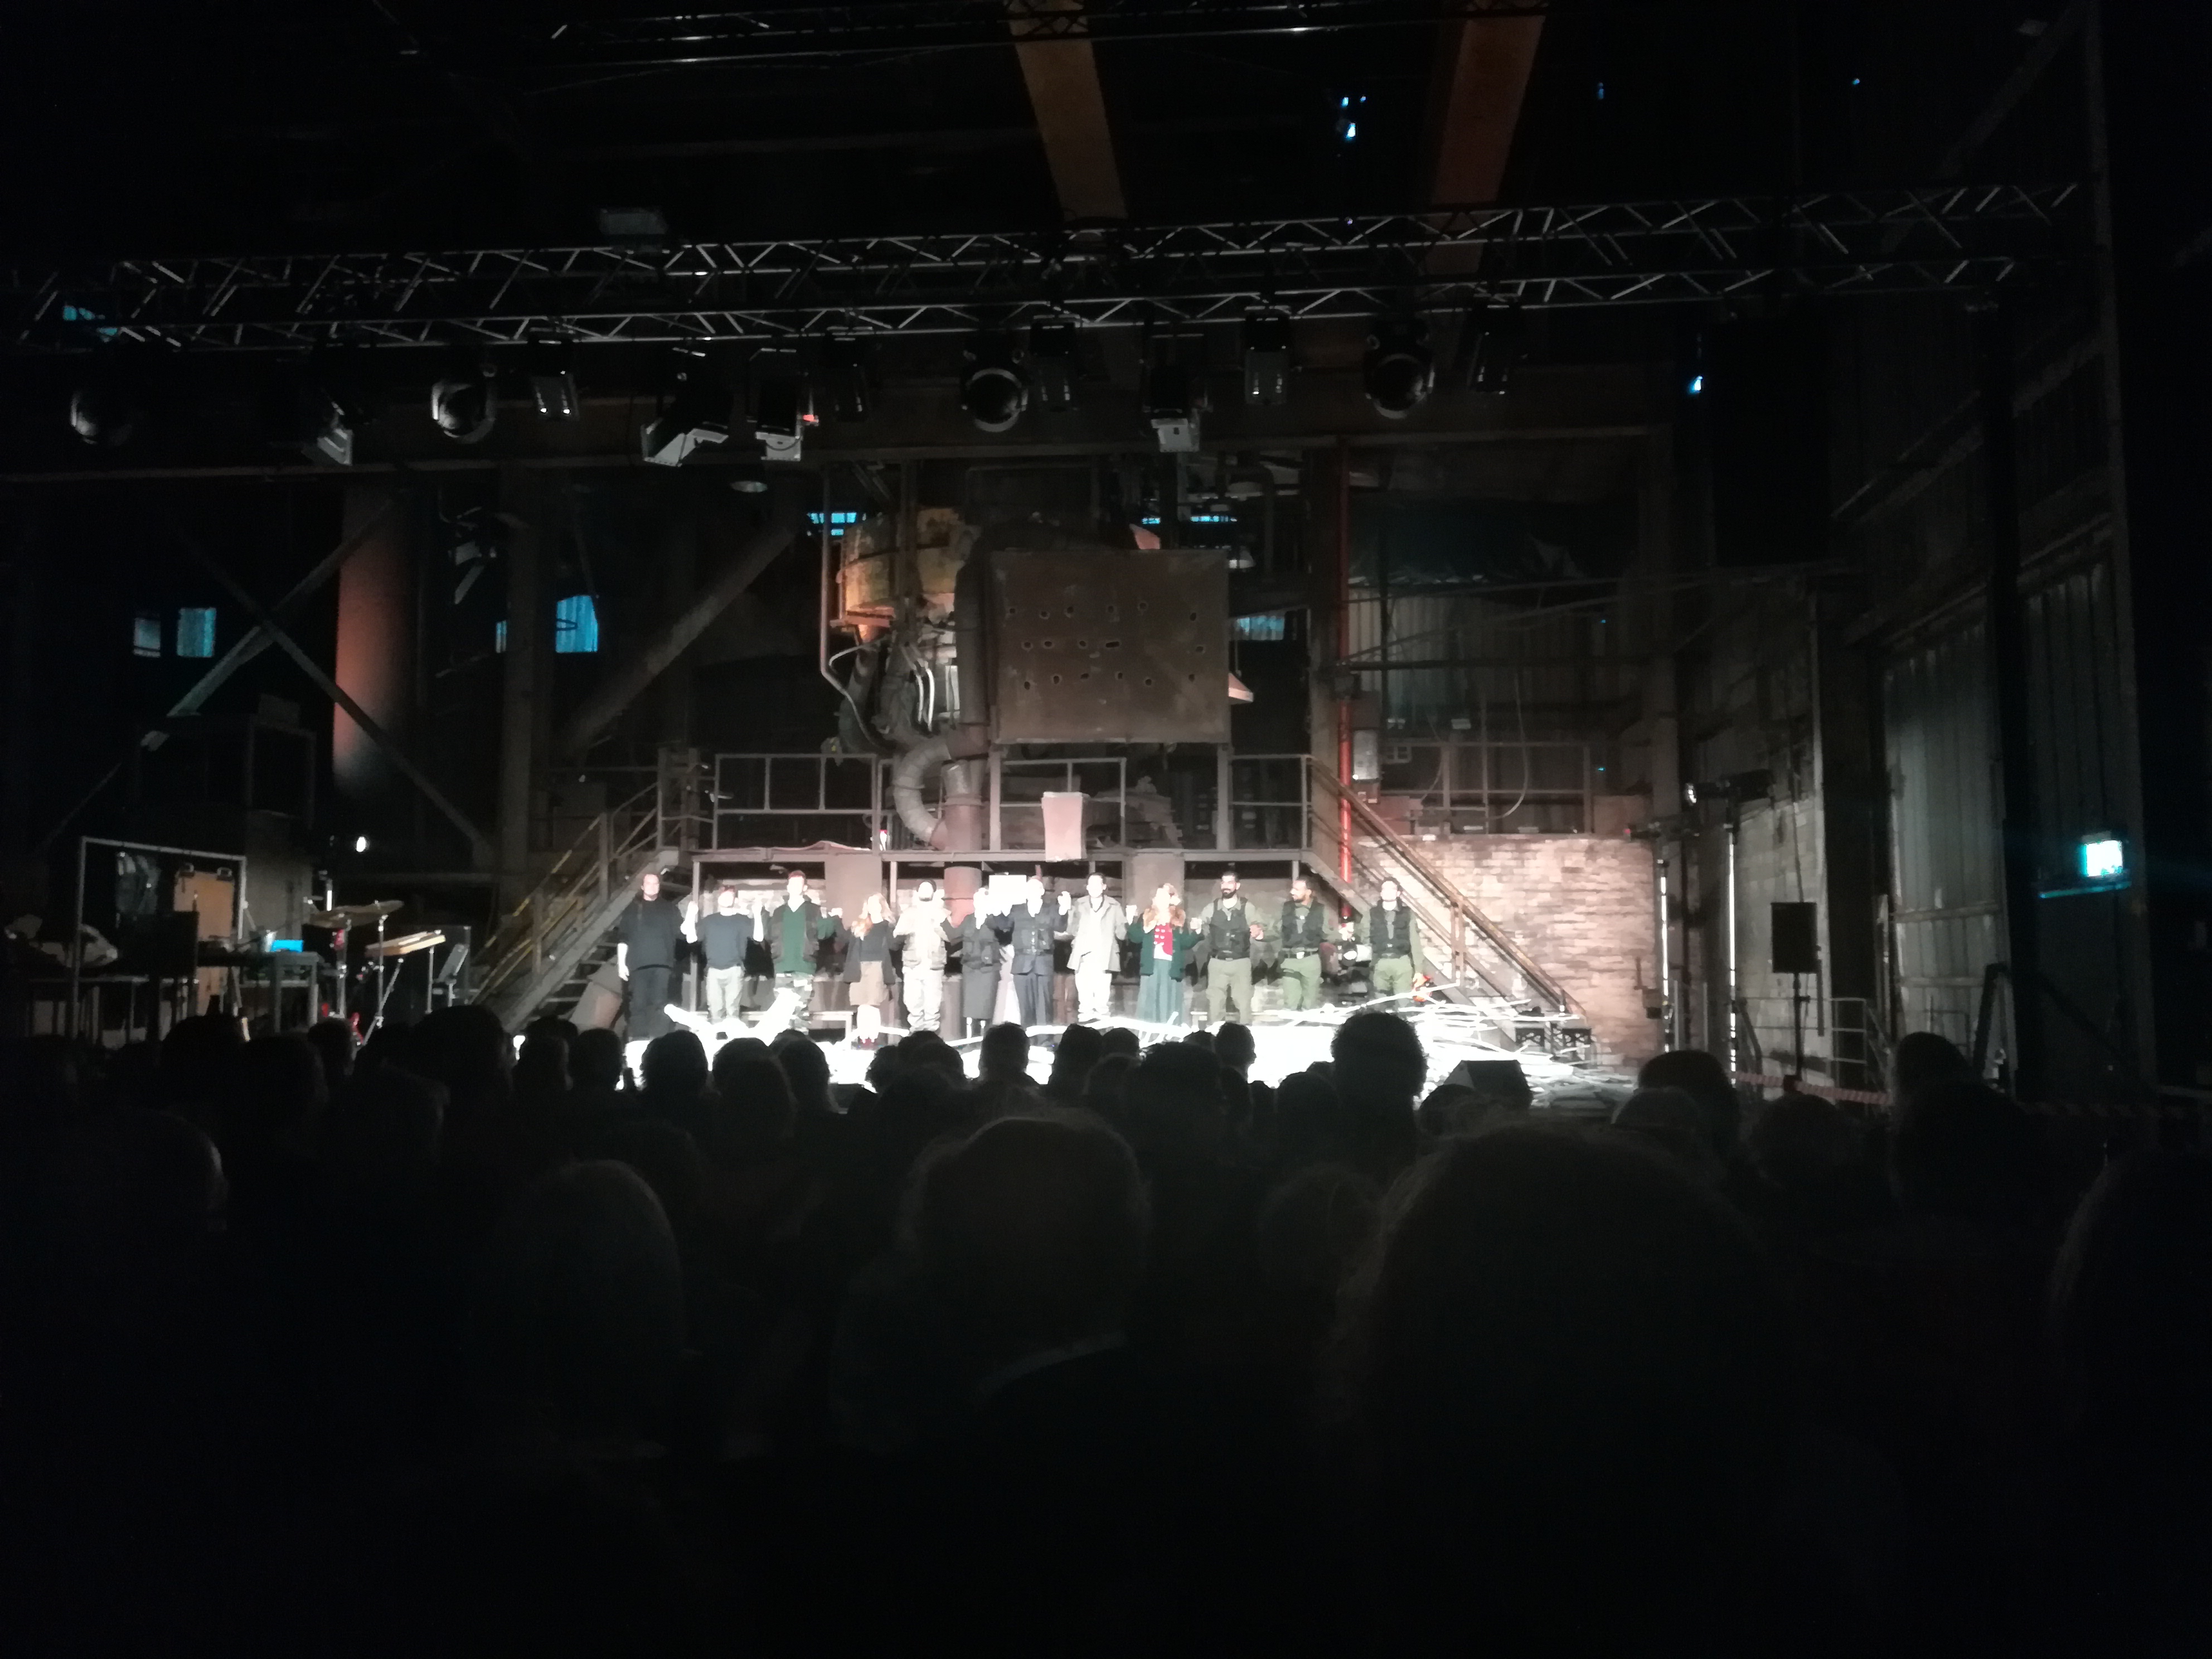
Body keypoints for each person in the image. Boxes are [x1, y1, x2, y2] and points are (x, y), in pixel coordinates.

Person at [760, 870, 841, 1030]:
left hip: (804, 966)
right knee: (782, 1012)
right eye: (792, 884)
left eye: (799, 884)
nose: (795, 887)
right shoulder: (779, 912)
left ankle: (799, 1042)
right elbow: (770, 935)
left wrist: (835, 918)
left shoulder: (813, 910)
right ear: (788, 887)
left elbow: (823, 931)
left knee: (800, 1010)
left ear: (805, 888)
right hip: (782, 965)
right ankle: (783, 1041)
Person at [615, 869, 684, 1042]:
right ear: (642, 886)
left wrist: (691, 916)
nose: (652, 887)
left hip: (663, 965)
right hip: (638, 965)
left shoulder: (670, 909)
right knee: (638, 1003)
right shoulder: (632, 909)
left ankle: (659, 1040)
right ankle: (639, 1039)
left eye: (655, 883)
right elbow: (624, 938)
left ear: (659, 886)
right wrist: (621, 964)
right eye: (649, 883)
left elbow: (681, 933)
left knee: (660, 1004)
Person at [1191, 870, 1264, 1026]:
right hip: (1217, 962)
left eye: (1230, 882)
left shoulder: (1248, 907)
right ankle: (1215, 1035)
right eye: (1223, 882)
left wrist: (1258, 931)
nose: (1226, 886)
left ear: (1237, 885)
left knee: (1244, 1003)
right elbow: (1200, 926)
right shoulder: (1212, 907)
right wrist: (1196, 926)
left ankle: (1245, 1035)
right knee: (1215, 1004)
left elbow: (1259, 928)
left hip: (1241, 962)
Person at [1126, 882, 1197, 1026]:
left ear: (1171, 898)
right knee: (1150, 999)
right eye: (1158, 896)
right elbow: (1136, 938)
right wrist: (1130, 920)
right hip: (1152, 966)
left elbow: (1185, 943)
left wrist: (1197, 932)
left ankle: (1170, 1034)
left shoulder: (1179, 917)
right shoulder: (1147, 916)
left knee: (1168, 1000)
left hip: (1171, 967)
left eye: (1164, 896)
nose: (1160, 899)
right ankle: (1149, 1035)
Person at [684, 883, 754, 1026]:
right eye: (724, 895)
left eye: (730, 896)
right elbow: (691, 938)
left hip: (735, 969)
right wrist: (690, 914)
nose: (727, 898)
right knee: (715, 1012)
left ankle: (732, 1038)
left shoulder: (743, 920)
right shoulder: (709, 921)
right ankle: (718, 1038)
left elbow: (758, 937)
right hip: (713, 971)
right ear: (719, 898)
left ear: (735, 900)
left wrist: (758, 915)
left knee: (733, 1011)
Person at [1063, 871, 1126, 1025]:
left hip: (1105, 955)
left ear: (1104, 887)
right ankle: (1085, 1029)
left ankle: (1103, 1029)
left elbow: (1122, 935)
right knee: (1084, 998)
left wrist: (1128, 921)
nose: (1094, 887)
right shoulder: (1079, 904)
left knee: (1102, 999)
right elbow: (1071, 930)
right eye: (1091, 884)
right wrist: (1067, 910)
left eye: (1098, 884)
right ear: (1087, 887)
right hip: (1083, 956)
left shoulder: (1114, 905)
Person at [891, 880, 953, 1036]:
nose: (925, 891)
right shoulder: (908, 913)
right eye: (922, 888)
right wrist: (905, 930)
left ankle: (931, 1037)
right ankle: (916, 1036)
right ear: (917, 892)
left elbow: (951, 937)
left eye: (928, 888)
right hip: (912, 966)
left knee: (933, 1005)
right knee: (913, 1003)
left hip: (934, 966)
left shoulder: (943, 914)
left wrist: (938, 926)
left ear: (934, 892)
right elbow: (896, 937)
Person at [1007, 875, 1066, 1029]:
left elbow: (1061, 927)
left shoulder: (1051, 909)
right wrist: (995, 911)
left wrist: (1064, 909)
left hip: (1043, 962)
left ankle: (1044, 1039)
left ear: (1042, 891)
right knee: (1025, 1006)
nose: (1033, 891)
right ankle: (1027, 1038)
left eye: (1036, 888)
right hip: (1022, 964)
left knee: (1044, 1005)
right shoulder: (1016, 910)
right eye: (1030, 889)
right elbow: (1003, 926)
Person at [840, 892, 898, 1045]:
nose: (873, 907)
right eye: (870, 904)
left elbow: (894, 945)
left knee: (872, 1006)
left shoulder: (887, 926)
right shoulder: (860, 924)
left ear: (881, 906)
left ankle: (873, 1039)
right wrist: (837, 919)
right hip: (859, 968)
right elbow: (845, 941)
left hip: (877, 968)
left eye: (876, 903)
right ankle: (864, 1039)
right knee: (862, 1006)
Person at [953, 886, 1010, 1039]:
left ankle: (984, 1040)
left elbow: (1005, 929)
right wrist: (942, 921)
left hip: (988, 971)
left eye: (983, 899)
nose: (980, 902)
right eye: (977, 899)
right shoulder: (969, 919)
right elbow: (954, 936)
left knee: (985, 1008)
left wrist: (996, 913)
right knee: (969, 1008)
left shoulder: (994, 919)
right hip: (970, 969)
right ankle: (969, 1040)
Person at [1362, 877, 1426, 1000]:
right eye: (1384, 889)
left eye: (1392, 889)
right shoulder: (1371, 914)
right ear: (1381, 893)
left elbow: (1415, 941)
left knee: (1404, 1002)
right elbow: (1365, 938)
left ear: (1398, 893)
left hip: (1402, 963)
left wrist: (1419, 970)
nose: (1388, 892)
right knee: (1379, 1002)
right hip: (1380, 963)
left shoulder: (1408, 914)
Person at [1275, 874, 1331, 1012]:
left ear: (1308, 892)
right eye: (1292, 889)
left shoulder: (1320, 910)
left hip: (1311, 960)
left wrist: (1344, 935)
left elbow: (1327, 933)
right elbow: (1276, 930)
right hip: (1290, 961)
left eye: (1297, 889)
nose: (1292, 892)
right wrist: (1260, 934)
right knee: (1290, 1005)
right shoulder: (1286, 908)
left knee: (1310, 1005)